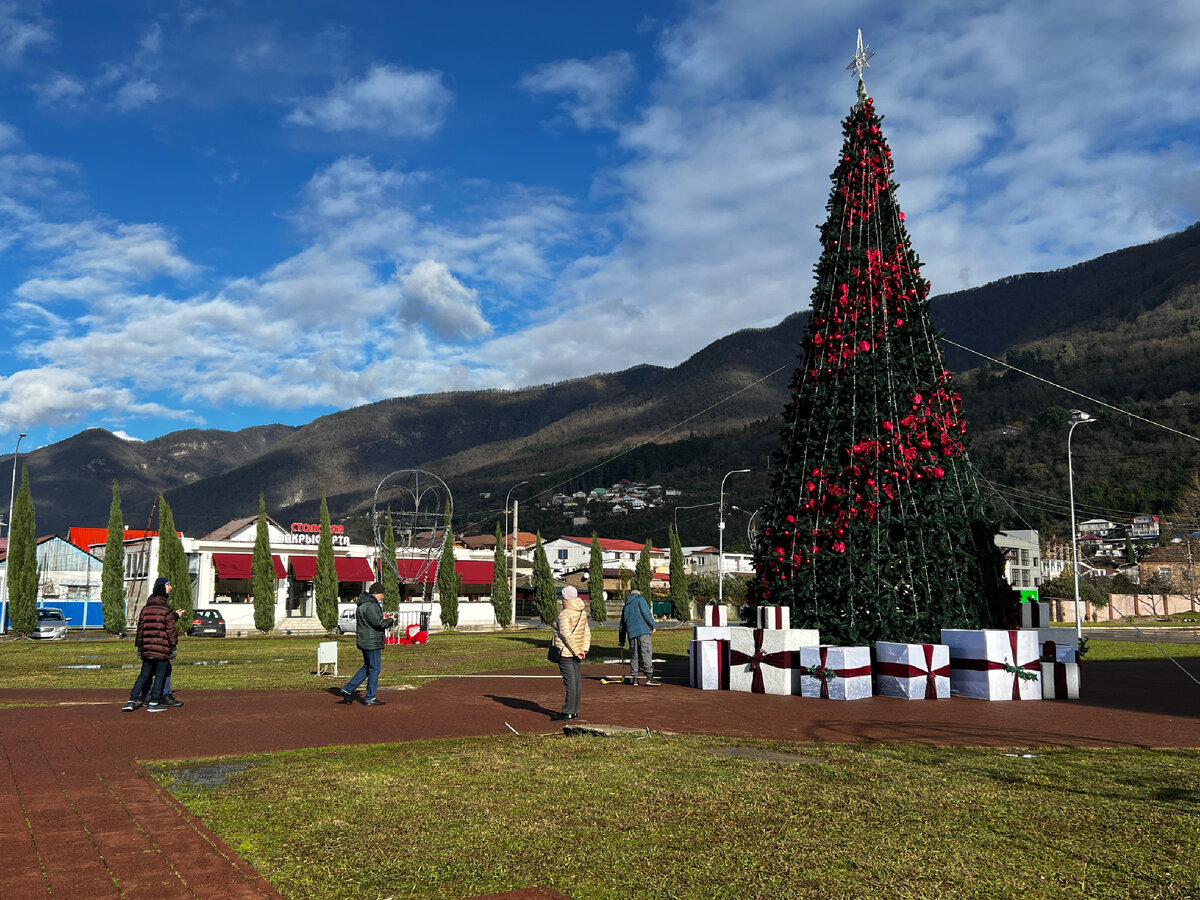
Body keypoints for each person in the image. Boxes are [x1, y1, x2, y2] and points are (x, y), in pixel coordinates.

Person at [122, 577, 178, 712]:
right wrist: (174, 647)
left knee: (144, 674)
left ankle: (131, 701)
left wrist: (140, 648)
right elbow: (171, 630)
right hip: (162, 648)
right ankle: (154, 702)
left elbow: (140, 630)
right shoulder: (167, 609)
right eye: (169, 585)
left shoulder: (145, 609)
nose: (170, 588)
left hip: (147, 648)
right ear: (164, 587)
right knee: (160, 674)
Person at [339, 582, 394, 706]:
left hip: (364, 640)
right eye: (381, 594)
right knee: (375, 669)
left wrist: (383, 617)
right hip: (372, 642)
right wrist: (390, 620)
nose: (382, 597)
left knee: (367, 667)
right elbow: (379, 624)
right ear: (376, 594)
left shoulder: (362, 605)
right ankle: (370, 697)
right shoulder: (372, 605)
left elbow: (372, 621)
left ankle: (347, 689)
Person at [550, 585, 591, 722]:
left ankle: (567, 712)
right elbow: (587, 633)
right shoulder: (582, 612)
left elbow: (566, 635)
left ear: (565, 598)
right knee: (576, 682)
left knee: (570, 683)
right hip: (577, 651)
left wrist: (575, 650)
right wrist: (583, 649)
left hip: (566, 651)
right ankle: (574, 711)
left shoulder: (565, 614)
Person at [618, 589, 659, 685]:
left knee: (634, 656)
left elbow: (622, 625)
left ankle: (635, 678)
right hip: (643, 631)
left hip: (631, 634)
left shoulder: (626, 606)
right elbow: (646, 613)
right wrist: (652, 625)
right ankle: (649, 677)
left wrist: (622, 640)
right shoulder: (641, 599)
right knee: (646, 653)